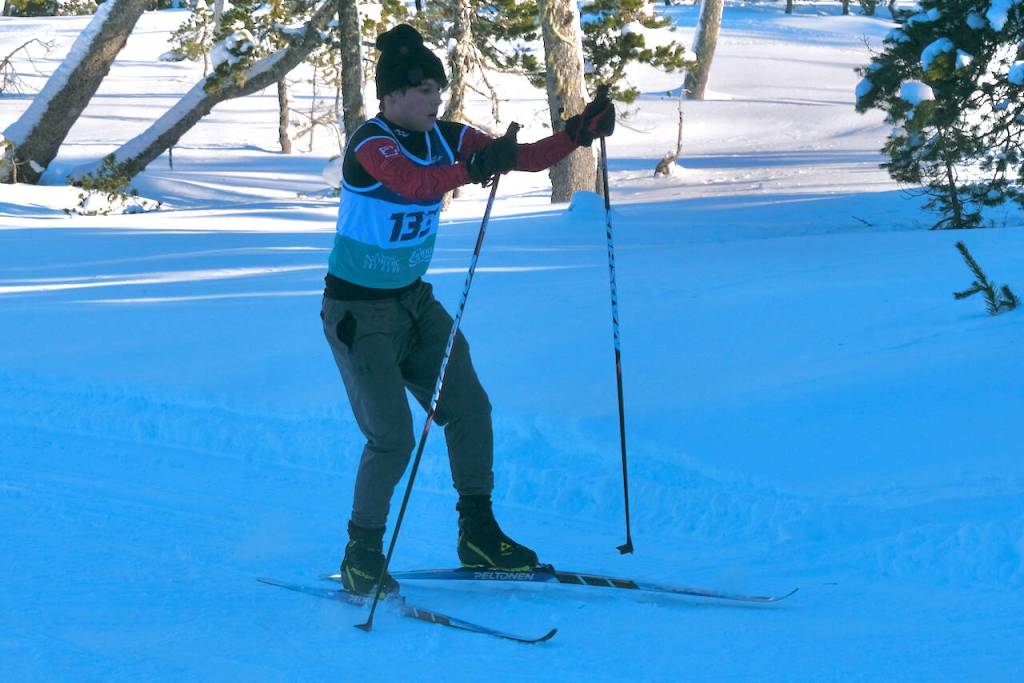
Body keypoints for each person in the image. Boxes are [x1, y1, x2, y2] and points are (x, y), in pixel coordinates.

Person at [321, 23, 615, 596]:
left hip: (414, 304)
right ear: (392, 96)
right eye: (423, 90)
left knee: (470, 407)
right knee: (392, 438)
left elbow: (524, 158)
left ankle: (477, 531)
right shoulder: (371, 143)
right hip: (358, 313)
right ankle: (361, 553)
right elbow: (412, 184)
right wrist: (473, 169)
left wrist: (577, 133)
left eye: (439, 88)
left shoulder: (447, 136)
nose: (436, 98)